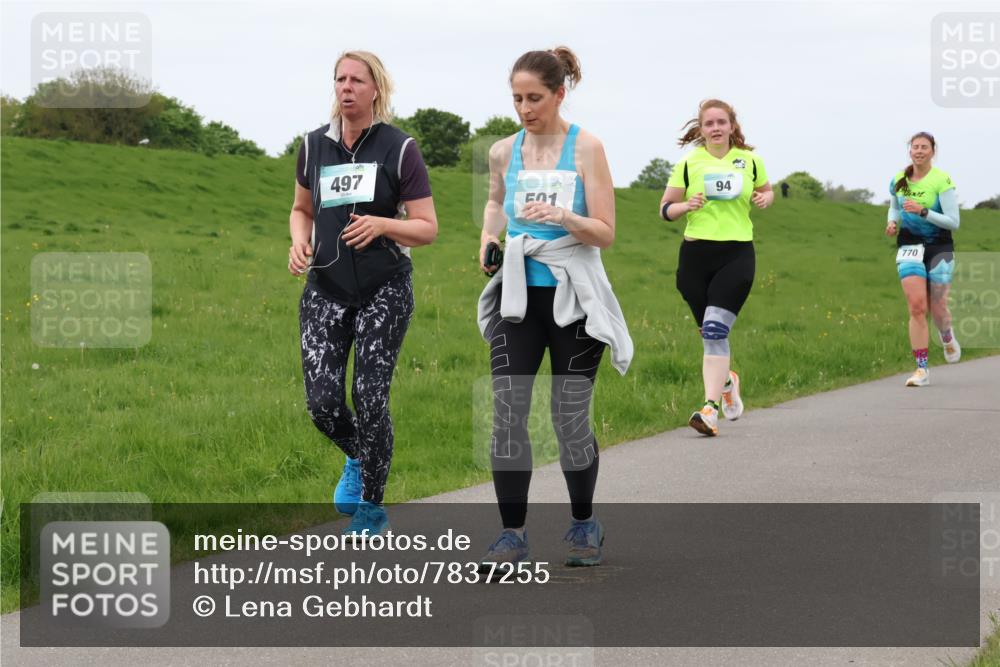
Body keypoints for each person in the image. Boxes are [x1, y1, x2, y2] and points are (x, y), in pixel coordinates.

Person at [476, 46, 632, 570]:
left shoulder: (587, 148)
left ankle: (585, 521)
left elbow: (606, 233)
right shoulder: (503, 151)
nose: (525, 108)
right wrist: (487, 238)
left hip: (573, 296)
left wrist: (564, 216)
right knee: (507, 416)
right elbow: (496, 202)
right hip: (519, 295)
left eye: (535, 98)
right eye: (517, 98)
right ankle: (511, 536)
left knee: (568, 419)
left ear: (560, 93)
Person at [288, 50, 438, 537]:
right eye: (339, 79)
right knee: (323, 403)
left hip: (384, 288)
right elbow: (300, 208)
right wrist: (298, 240)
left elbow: (427, 228)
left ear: (376, 89)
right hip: (326, 289)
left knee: (370, 397)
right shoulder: (313, 146)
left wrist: (382, 224)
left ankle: (373, 504)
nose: (346, 87)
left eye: (356, 79)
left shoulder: (400, 149)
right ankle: (357, 454)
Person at [659, 99, 773, 436]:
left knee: (714, 331)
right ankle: (727, 380)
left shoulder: (750, 161)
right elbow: (664, 209)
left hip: (736, 255)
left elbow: (767, 193)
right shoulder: (689, 163)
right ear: (701, 128)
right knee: (709, 334)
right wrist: (684, 205)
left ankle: (709, 410)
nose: (716, 128)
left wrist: (766, 199)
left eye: (721, 122)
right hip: (694, 258)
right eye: (709, 124)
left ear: (732, 126)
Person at [885, 132, 961, 387]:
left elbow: (954, 222)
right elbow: (894, 205)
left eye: (924, 147)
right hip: (909, 246)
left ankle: (947, 336)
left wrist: (924, 211)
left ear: (932, 151)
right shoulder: (900, 179)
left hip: (939, 247)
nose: (919, 151)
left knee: (938, 308)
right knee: (917, 307)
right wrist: (892, 222)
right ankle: (921, 369)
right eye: (915, 147)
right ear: (910, 151)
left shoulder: (941, 180)